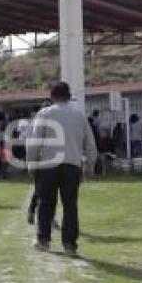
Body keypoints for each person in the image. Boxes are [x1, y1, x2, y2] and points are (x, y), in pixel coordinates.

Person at [27, 82, 97, 256]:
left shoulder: (44, 113)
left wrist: (32, 164)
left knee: (46, 203)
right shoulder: (79, 116)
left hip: (48, 165)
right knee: (70, 205)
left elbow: (34, 144)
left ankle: (43, 240)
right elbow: (90, 144)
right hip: (72, 164)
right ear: (69, 96)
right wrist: (90, 165)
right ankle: (70, 245)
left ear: (52, 96)